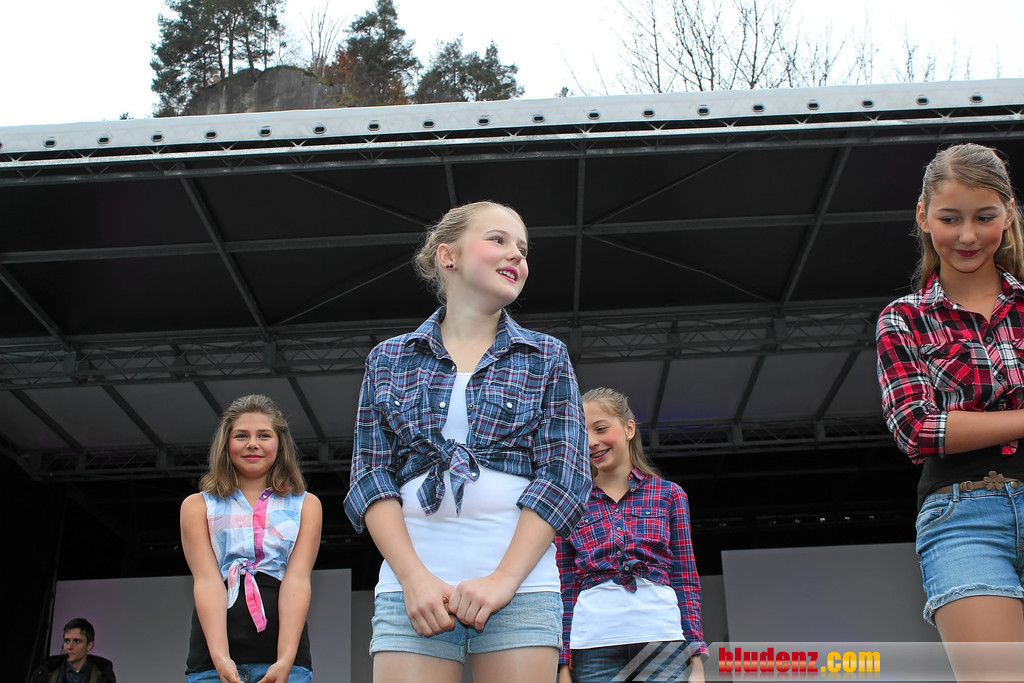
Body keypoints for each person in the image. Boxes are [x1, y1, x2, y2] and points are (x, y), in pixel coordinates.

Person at [344, 200, 592, 682]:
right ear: (448, 255)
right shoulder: (388, 359)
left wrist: (503, 580)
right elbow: (370, 478)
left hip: (521, 591)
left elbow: (564, 477)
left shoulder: (546, 356)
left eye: (523, 249)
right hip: (411, 593)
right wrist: (414, 579)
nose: (516, 254)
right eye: (498, 239)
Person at [877, 143, 1024, 678]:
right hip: (963, 517)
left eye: (984, 217)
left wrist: (967, 423)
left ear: (1008, 214)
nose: (967, 235)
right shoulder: (903, 319)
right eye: (950, 218)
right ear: (923, 216)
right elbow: (918, 429)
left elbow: (941, 422)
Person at [555, 387, 706, 683]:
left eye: (600, 428)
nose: (591, 441)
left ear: (628, 429)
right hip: (592, 647)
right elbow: (565, 588)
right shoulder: (570, 503)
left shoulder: (669, 494)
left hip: (663, 643)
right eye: (581, 433)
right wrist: (562, 664)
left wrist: (697, 659)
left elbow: (685, 579)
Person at [181, 394, 322, 683]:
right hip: (211, 664)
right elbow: (206, 581)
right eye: (241, 435)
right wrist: (221, 658)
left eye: (264, 435)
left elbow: (297, 580)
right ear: (226, 444)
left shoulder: (306, 504)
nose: (253, 443)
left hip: (284, 663)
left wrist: (285, 660)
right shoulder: (197, 506)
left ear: (280, 444)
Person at [29, 617, 116, 683]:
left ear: (89, 645)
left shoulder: (102, 673)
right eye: (67, 641)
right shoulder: (47, 671)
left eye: (77, 641)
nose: (69, 646)